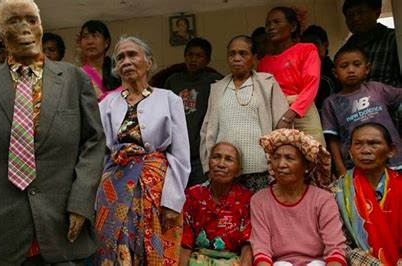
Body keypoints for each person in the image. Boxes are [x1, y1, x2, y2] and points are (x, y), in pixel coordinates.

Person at [0, 0, 106, 264]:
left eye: (31, 20)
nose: (25, 29)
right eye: (13, 21)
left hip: (62, 226)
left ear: (41, 26)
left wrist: (81, 203)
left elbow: (94, 142)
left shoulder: (74, 79)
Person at [95, 35, 190, 264]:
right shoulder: (106, 104)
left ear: (148, 62)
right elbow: (99, 153)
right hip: (114, 190)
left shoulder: (169, 100)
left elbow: (180, 155)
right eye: (120, 58)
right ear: (116, 68)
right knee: (116, 248)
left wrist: (172, 201)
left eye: (132, 55)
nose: (126, 61)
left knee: (152, 252)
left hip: (156, 189)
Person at [200, 35, 288, 192]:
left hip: (260, 170)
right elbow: (207, 131)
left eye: (243, 53)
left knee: (259, 215)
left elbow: (282, 130)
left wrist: (278, 164)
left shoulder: (267, 84)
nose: (236, 58)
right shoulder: (218, 88)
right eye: (232, 54)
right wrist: (208, 166)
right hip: (225, 171)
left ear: (254, 58)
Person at [251, 129, 346, 266]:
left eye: (289, 158)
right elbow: (261, 251)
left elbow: (335, 250)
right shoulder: (260, 200)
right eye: (276, 157)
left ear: (306, 166)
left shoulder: (323, 199)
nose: (281, 164)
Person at [322, 45, 401, 176]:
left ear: (367, 68)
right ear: (335, 72)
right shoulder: (331, 103)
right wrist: (341, 170)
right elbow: (333, 141)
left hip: (394, 161)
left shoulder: (377, 89)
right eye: (344, 66)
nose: (351, 70)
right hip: (357, 166)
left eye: (357, 64)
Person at [334, 123, 402, 265]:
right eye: (358, 144)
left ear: (391, 150)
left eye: (374, 144)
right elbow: (338, 242)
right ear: (350, 151)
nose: (365, 150)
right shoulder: (336, 192)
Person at [257, 6, 325, 145]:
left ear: (293, 26)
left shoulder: (307, 49)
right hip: (274, 113)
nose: (271, 27)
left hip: (303, 111)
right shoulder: (263, 63)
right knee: (282, 162)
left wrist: (289, 116)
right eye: (268, 24)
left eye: (277, 22)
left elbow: (311, 86)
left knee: (314, 156)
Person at [179, 142, 252, 265]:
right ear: (208, 163)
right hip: (197, 260)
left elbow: (247, 245)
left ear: (238, 171)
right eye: (216, 157)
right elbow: (185, 242)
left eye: (229, 159)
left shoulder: (246, 199)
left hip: (232, 260)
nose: (221, 164)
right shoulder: (193, 195)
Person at [164, 38, 222, 186]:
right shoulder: (173, 81)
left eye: (199, 56)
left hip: (201, 154)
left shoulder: (215, 82)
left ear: (208, 60)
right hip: (175, 152)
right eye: (190, 55)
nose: (193, 59)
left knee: (200, 194)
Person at [343, 0, 401, 87]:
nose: (356, 19)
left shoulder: (394, 40)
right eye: (350, 15)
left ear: (377, 13)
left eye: (361, 12)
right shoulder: (345, 49)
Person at [78, 20, 121, 101]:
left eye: (95, 36)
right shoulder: (78, 74)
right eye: (85, 37)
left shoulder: (118, 70)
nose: (90, 42)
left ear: (106, 42)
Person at [301, 25, 338, 111]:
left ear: (325, 44)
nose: (310, 48)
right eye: (305, 45)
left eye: (314, 43)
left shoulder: (336, 69)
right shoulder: (301, 72)